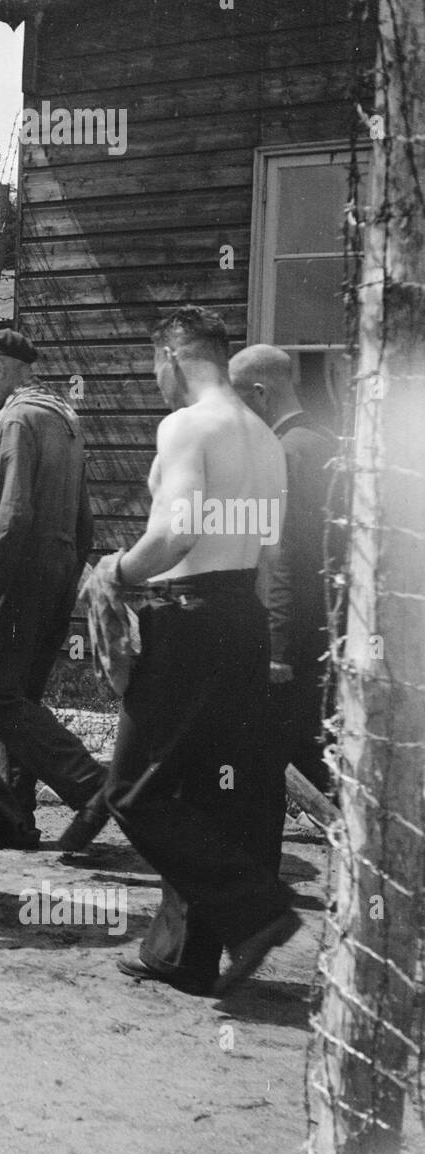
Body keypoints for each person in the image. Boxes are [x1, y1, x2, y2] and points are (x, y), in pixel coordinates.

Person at [90, 306, 298, 995]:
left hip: (188, 618)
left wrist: (114, 572)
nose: (155, 380)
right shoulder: (263, 436)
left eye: (155, 365)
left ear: (175, 357)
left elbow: (175, 537)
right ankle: (183, 954)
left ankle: (258, 910)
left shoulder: (185, 426)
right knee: (212, 789)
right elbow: (267, 550)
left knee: (134, 791)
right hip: (242, 616)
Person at [0, 329, 108, 852]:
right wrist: (65, 576)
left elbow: (12, 514)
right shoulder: (65, 420)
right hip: (59, 570)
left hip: (19, 574)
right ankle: (12, 820)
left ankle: (91, 785)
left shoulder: (17, 419)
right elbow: (85, 524)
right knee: (22, 699)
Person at [228, 344, 342, 875]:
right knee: (306, 751)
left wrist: (274, 648)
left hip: (288, 636)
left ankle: (253, 875)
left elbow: (279, 558)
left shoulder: (283, 452)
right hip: (325, 627)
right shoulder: (322, 443)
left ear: (260, 393)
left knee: (262, 756)